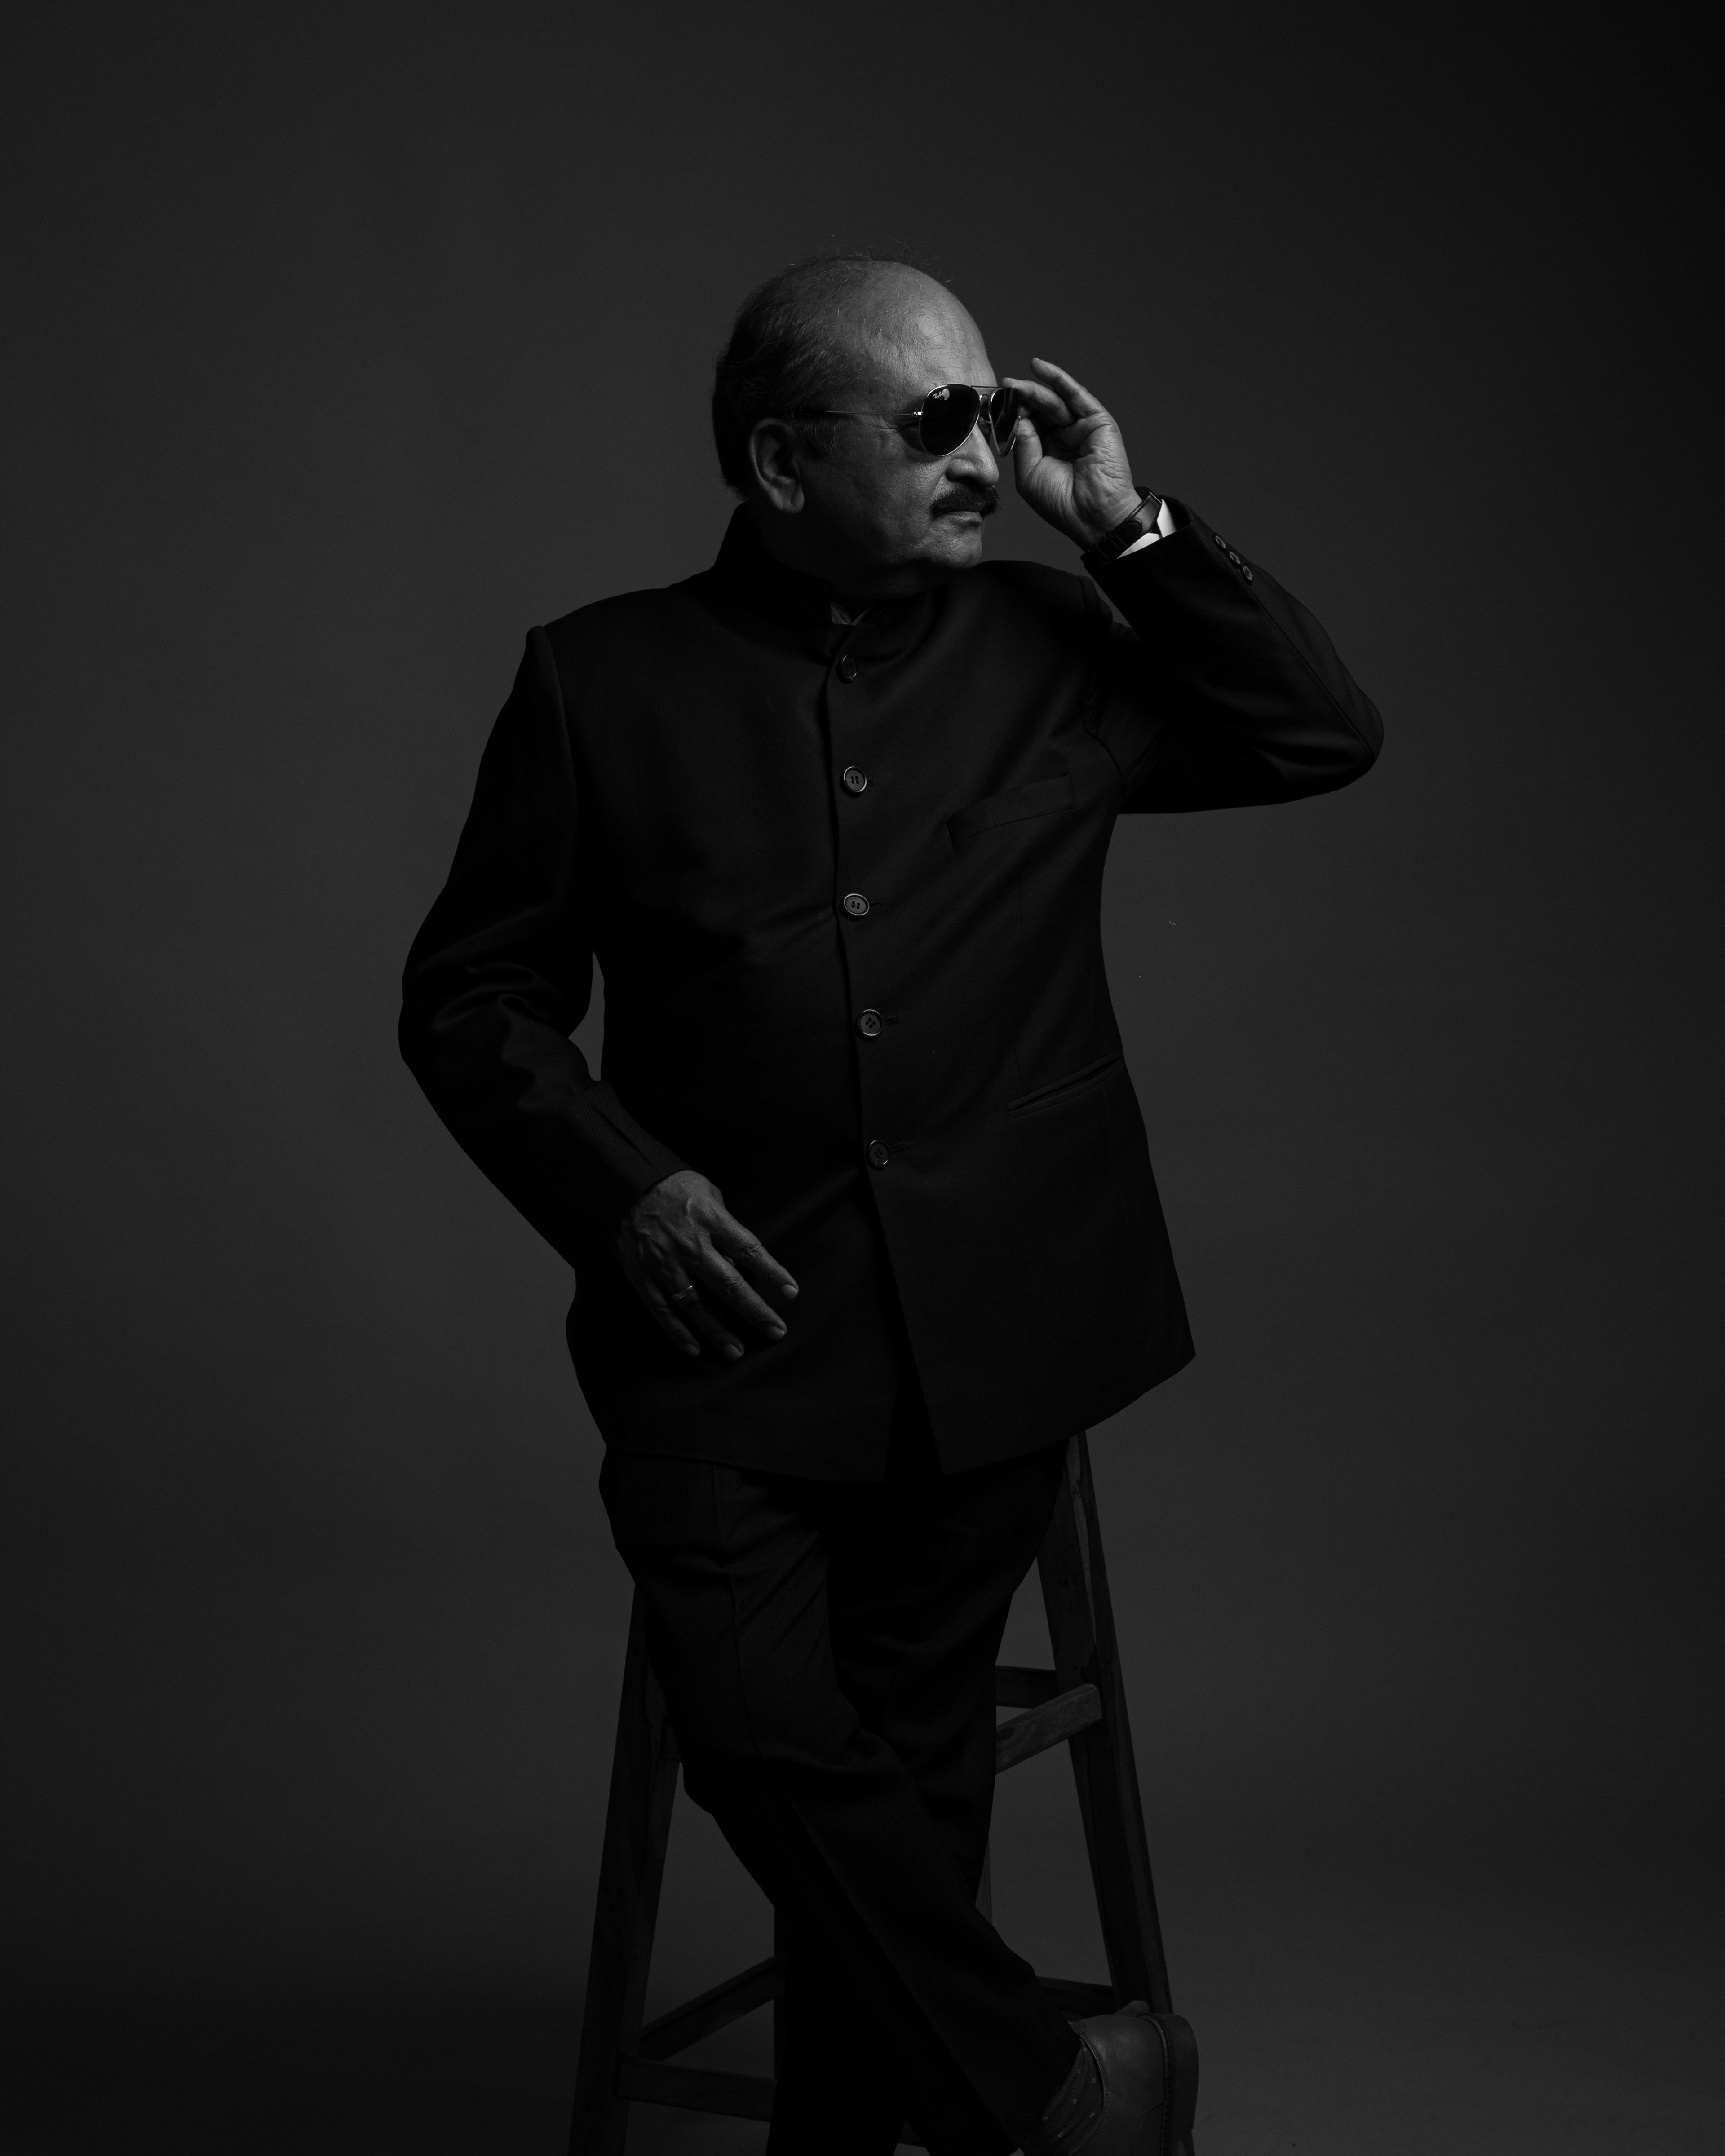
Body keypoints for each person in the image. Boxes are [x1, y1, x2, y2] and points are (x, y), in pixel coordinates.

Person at [399, 254, 1382, 2155]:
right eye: (937, 423)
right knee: (762, 1729)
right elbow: (471, 998)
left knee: (918, 1769)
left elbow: (1316, 735)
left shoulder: (1055, 635)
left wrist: (1131, 529)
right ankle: (1061, 2095)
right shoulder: (601, 681)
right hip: (722, 1331)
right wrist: (623, 1190)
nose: (984, 459)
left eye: (991, 416)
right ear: (783, 461)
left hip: (998, 1327)